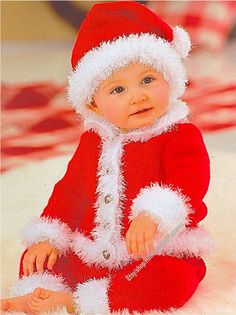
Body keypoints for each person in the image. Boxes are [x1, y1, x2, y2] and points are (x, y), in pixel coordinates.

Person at [1, 1, 213, 314]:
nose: (138, 96)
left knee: (172, 279)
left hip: (152, 251)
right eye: (117, 90)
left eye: (148, 80)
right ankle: (41, 294)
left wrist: (153, 216)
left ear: (170, 78)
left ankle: (81, 301)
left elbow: (189, 181)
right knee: (40, 256)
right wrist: (50, 237)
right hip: (93, 250)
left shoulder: (180, 134)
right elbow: (70, 191)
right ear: (94, 104)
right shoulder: (93, 141)